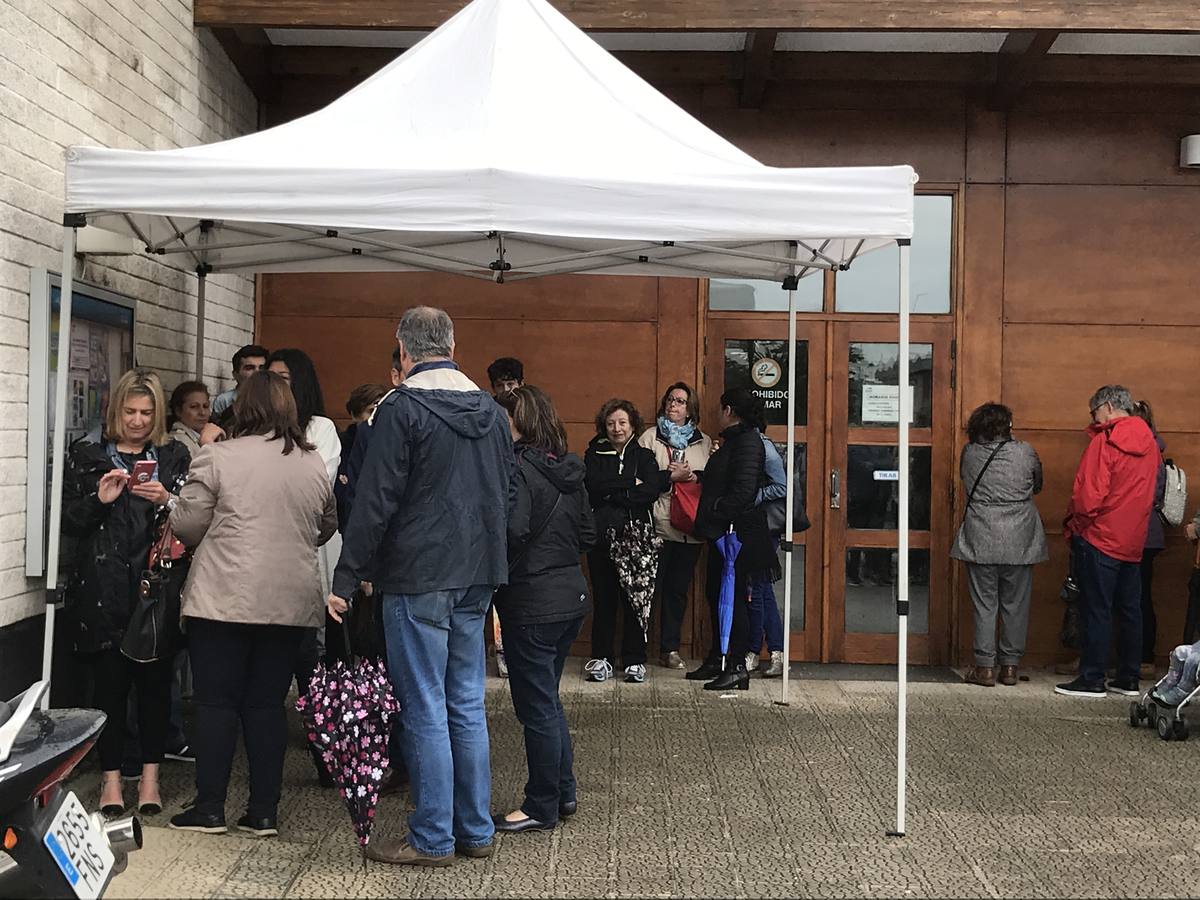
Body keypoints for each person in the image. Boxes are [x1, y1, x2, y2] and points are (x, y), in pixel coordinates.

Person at [328, 306, 514, 867]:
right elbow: (506, 493)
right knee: (465, 701)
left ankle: (433, 836)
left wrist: (347, 572)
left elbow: (374, 500)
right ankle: (474, 830)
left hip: (417, 575)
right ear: (453, 345)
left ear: (403, 351)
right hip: (479, 572)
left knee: (425, 705)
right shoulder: (491, 409)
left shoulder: (399, 409)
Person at [167, 371, 338, 837]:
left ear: (242, 408)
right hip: (289, 604)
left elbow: (188, 526)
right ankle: (263, 811)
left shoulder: (217, 456)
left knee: (216, 704)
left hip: (223, 600)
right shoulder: (312, 463)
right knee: (266, 706)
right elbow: (325, 527)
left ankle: (210, 808)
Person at [62, 368, 191, 818]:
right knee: (110, 690)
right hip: (103, 589)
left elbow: (195, 521)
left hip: (154, 587)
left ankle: (151, 778)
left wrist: (167, 501)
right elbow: (70, 525)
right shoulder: (89, 456)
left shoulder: (173, 457)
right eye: (130, 411)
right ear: (116, 410)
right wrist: (98, 500)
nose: (137, 421)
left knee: (155, 687)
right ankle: (111, 781)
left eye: (146, 412)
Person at [491, 386, 595, 833]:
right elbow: (589, 535)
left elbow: (512, 530)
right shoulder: (570, 471)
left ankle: (541, 805)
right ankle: (563, 792)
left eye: (503, 418)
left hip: (531, 603)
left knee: (535, 708)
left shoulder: (516, 470)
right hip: (571, 596)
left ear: (520, 422)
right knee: (548, 702)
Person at [1056, 385, 1160, 698]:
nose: (1094, 418)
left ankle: (1092, 678)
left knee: (1096, 609)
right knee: (1130, 609)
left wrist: (1077, 526)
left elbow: (1088, 497)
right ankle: (1128, 678)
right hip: (1133, 539)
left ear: (1109, 406)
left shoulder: (1105, 441)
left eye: (1094, 411)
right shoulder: (1151, 444)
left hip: (1100, 536)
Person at [950, 403, 1049, 687]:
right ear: (1007, 426)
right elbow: (1037, 484)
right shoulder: (1025, 452)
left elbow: (966, 482)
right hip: (1020, 537)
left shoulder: (969, 453)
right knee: (1016, 604)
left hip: (981, 533)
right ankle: (1009, 667)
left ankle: (984, 668)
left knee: (985, 604)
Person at [690, 388, 776, 692]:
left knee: (735, 598)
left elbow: (743, 491)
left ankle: (737, 664)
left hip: (736, 534)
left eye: (720, 409)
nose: (717, 414)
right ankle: (718, 656)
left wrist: (715, 510)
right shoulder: (734, 442)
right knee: (716, 593)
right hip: (721, 533)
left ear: (729, 410)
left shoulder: (748, 442)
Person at [584, 399, 661, 684]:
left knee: (635, 600)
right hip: (602, 538)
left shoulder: (644, 456)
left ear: (633, 425)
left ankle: (634, 659)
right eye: (611, 423)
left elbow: (651, 491)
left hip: (637, 538)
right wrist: (630, 484)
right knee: (604, 599)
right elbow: (593, 486)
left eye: (622, 423)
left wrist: (614, 491)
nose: (617, 429)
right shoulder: (594, 453)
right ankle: (602, 658)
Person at [638, 383, 711, 671]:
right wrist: (669, 478)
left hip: (690, 529)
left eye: (680, 401)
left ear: (690, 408)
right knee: (648, 590)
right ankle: (638, 649)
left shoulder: (703, 441)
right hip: (658, 524)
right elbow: (640, 478)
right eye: (670, 400)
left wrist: (693, 477)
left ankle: (670, 648)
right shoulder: (649, 437)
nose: (674, 405)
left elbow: (710, 481)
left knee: (677, 591)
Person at [747, 422, 787, 679]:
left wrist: (754, 495)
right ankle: (776, 651)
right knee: (764, 589)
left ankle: (752, 652)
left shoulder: (764, 447)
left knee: (758, 588)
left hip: (765, 527)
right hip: (752, 526)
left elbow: (781, 486)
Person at [1133, 400, 1167, 677]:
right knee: (1139, 595)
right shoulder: (1155, 447)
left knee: (1138, 596)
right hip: (1149, 533)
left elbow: (1148, 494)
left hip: (1139, 531)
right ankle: (1141, 657)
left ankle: (1143, 656)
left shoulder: (1146, 449)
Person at [211, 344, 268, 417]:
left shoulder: (275, 399)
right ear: (235, 375)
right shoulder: (224, 401)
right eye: (249, 368)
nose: (257, 372)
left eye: (262, 368)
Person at [167, 381, 210, 459]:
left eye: (206, 406)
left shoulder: (203, 436)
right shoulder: (177, 443)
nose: (202, 412)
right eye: (194, 407)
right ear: (178, 411)